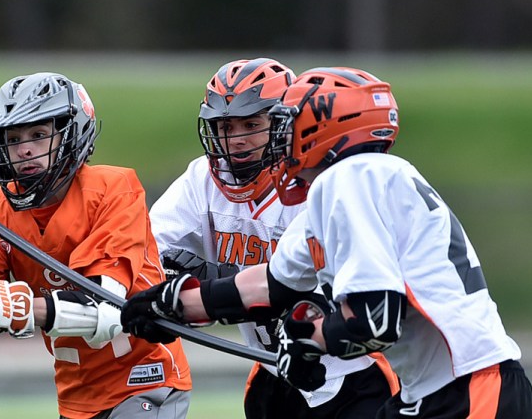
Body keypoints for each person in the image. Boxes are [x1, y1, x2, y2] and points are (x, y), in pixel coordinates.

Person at [121, 67, 532, 418]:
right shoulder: (356, 182)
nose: (281, 139)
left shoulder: (351, 178)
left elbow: (376, 320)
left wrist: (308, 342)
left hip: (469, 388)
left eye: (288, 124)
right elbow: (270, 285)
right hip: (431, 391)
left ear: (324, 128)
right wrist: (170, 303)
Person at [0, 72, 192, 419]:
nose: (24, 149)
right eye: (13, 138)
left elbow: (107, 308)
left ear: (71, 135)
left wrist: (15, 308)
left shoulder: (113, 188)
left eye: (38, 135)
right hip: (75, 394)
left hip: (145, 377)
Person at [149, 58, 397, 418]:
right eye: (223, 126)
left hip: (349, 373)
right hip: (270, 372)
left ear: (283, 124)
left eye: (251, 124)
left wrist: (210, 280)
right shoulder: (200, 179)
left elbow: (317, 291)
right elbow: (146, 250)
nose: (235, 139)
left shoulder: (315, 185)